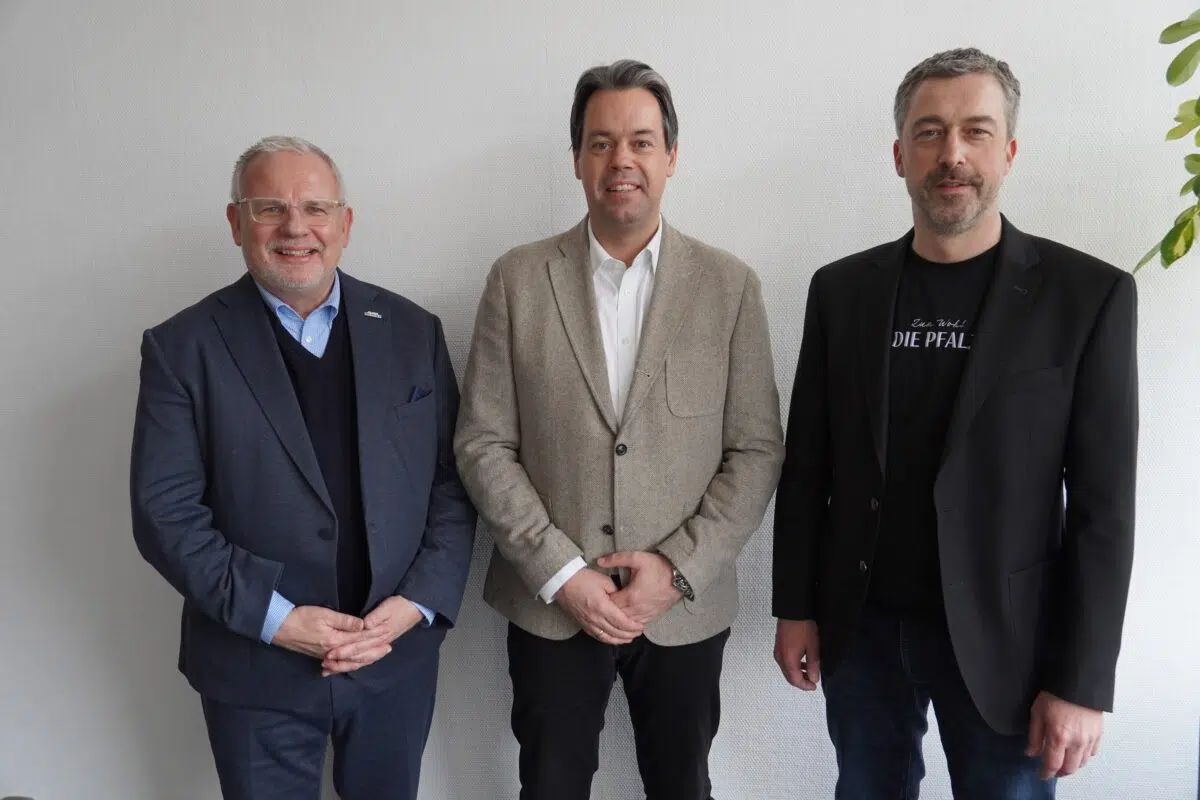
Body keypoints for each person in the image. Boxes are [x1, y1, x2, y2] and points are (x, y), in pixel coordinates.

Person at [772, 48, 1138, 799]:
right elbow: (808, 466)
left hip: (1012, 643)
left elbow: (1104, 510)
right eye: (930, 132)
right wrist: (796, 607)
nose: (953, 154)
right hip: (863, 633)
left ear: (1008, 152)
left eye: (976, 131)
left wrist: (1082, 680)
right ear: (899, 155)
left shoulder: (1087, 296)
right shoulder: (841, 292)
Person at [454, 60, 785, 800]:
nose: (621, 160)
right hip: (551, 605)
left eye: (641, 141)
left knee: (682, 785)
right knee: (550, 785)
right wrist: (562, 573)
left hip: (682, 606)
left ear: (672, 156)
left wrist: (677, 568)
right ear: (577, 160)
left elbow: (756, 448)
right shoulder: (517, 280)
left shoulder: (729, 287)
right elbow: (483, 443)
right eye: (600, 143)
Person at [130, 136, 476, 799]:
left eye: (316, 208)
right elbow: (164, 514)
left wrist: (415, 604)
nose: (296, 227)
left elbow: (451, 484)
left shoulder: (413, 332)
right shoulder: (181, 348)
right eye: (270, 208)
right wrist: (279, 621)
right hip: (254, 664)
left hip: (391, 657)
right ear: (236, 222)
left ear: (345, 223)